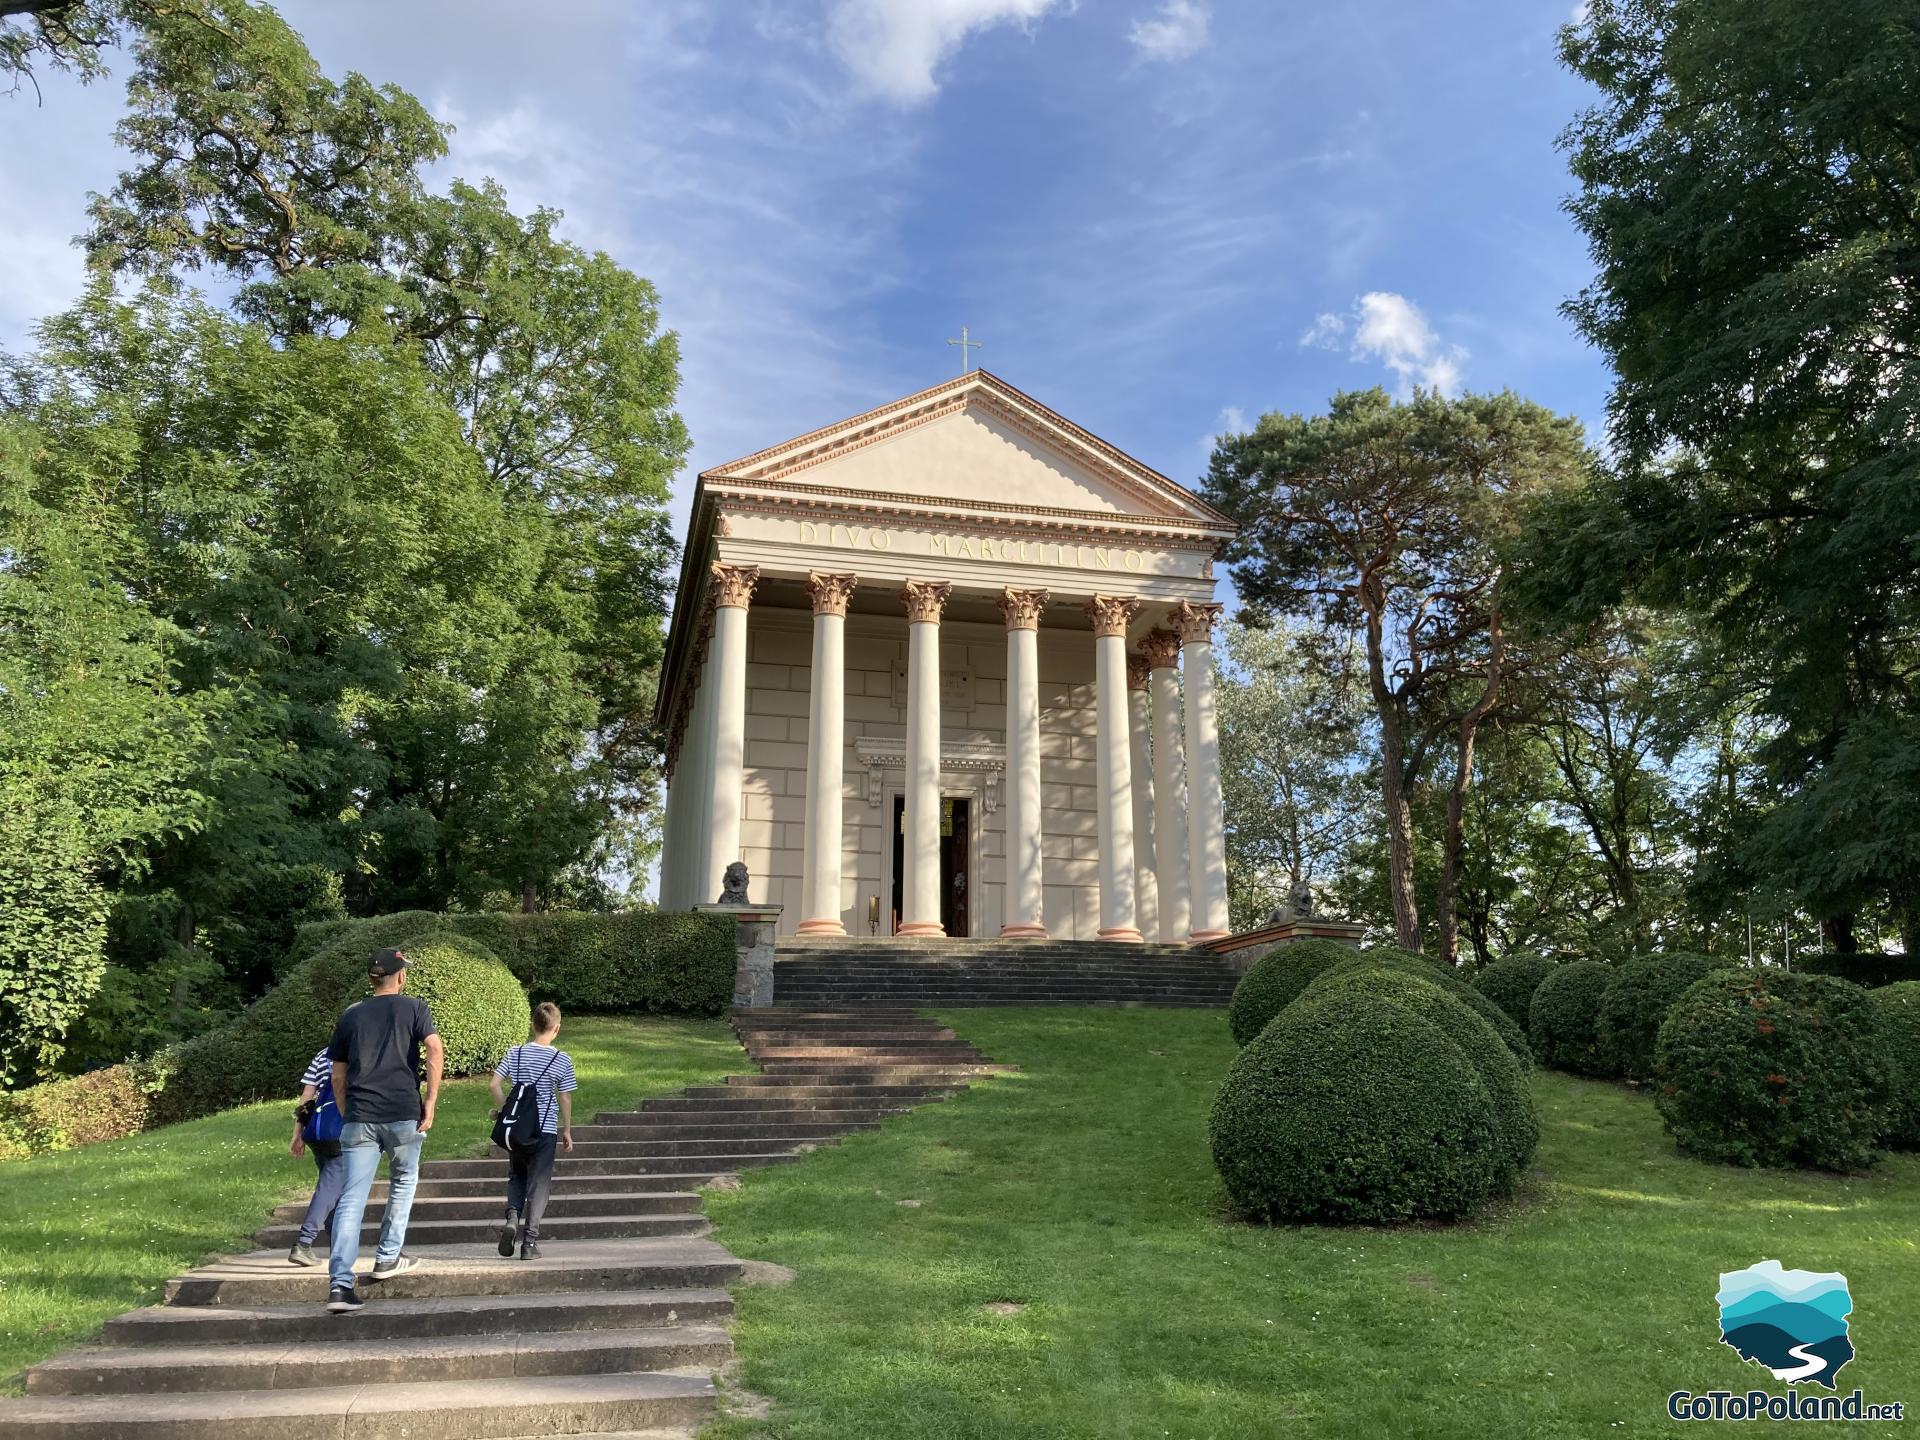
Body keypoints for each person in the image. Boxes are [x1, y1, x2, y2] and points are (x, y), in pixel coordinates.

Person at [323, 947, 444, 1314]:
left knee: (351, 1198)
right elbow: (435, 1052)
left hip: (360, 1115)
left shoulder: (351, 1016)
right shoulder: (415, 1008)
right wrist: (431, 1101)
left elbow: (337, 1073)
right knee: (404, 1180)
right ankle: (387, 1257)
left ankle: (340, 1285)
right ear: (401, 976)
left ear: (372, 979)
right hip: (402, 1112)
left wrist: (347, 1111)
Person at [489, 1001, 576, 1260]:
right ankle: (529, 1243)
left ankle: (512, 1217)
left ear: (532, 1025)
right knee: (539, 1185)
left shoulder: (515, 1053)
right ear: (557, 1028)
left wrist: (507, 1110)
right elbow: (566, 1097)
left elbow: (494, 1085)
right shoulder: (561, 1059)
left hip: (517, 1130)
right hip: (544, 1130)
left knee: (516, 1175)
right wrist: (567, 1130)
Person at [287, 1046, 344, 1267]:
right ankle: (303, 1242)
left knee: (334, 1191)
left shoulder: (322, 1054)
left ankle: (338, 1247)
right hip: (341, 1130)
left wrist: (298, 1132)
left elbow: (307, 1095)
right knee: (329, 1189)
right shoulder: (355, 1050)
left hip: (318, 1131)